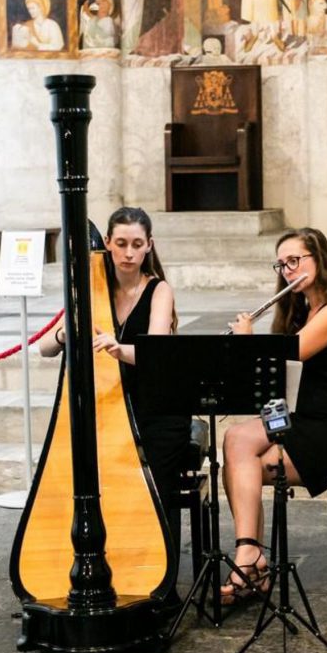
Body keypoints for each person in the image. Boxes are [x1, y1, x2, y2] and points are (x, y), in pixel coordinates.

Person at [220, 227, 327, 604]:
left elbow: (288, 356)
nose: (288, 270)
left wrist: (245, 339)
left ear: (319, 260)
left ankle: (251, 561)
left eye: (295, 261)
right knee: (235, 444)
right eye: (282, 264)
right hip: (306, 419)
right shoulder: (302, 309)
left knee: (242, 462)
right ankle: (253, 558)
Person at [39, 207, 190, 572]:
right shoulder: (92, 286)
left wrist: (120, 350)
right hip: (111, 408)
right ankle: (110, 563)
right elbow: (43, 348)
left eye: (137, 244)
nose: (128, 253)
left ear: (148, 246)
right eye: (120, 243)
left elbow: (155, 352)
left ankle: (157, 575)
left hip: (157, 410)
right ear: (106, 244)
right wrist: (66, 334)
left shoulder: (159, 290)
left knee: (150, 482)